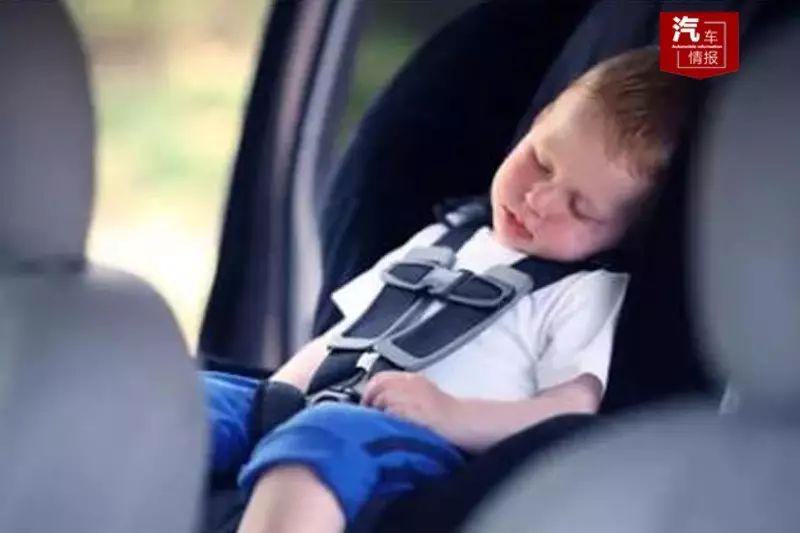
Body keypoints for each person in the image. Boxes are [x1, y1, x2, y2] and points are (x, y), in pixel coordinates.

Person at [205, 47, 694, 533]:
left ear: (625, 232)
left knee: (321, 440)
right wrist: (278, 397)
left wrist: (452, 415)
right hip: (326, 405)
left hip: (425, 444)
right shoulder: (442, 238)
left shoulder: (583, 293)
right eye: (542, 162)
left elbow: (569, 412)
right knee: (197, 399)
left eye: (580, 208)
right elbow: (347, 334)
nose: (538, 199)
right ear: (538, 122)